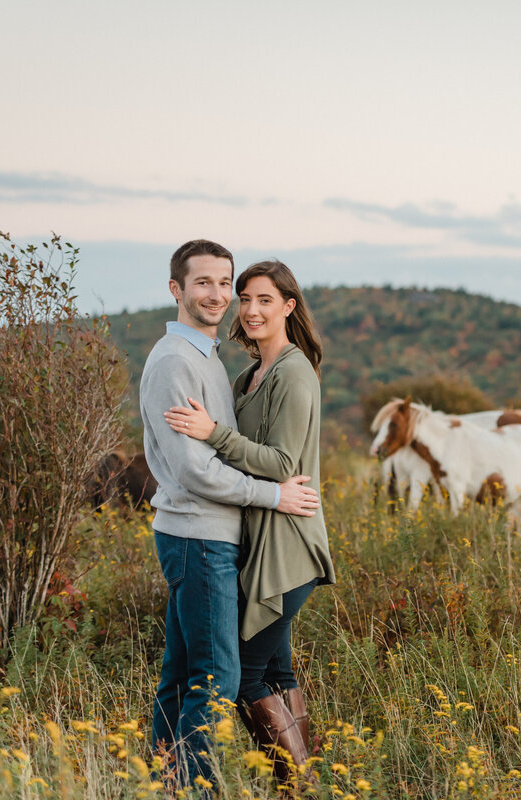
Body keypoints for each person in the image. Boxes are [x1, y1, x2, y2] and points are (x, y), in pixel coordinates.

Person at [141, 240, 321, 792]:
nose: (226, 298)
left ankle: (172, 783)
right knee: (218, 677)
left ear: (289, 305)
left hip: (241, 540)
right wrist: (271, 497)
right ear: (177, 289)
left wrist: (222, 439)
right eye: (208, 284)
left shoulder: (220, 362)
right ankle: (194, 787)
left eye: (229, 285)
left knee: (197, 676)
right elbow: (196, 471)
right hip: (201, 536)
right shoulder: (182, 362)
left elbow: (268, 457)